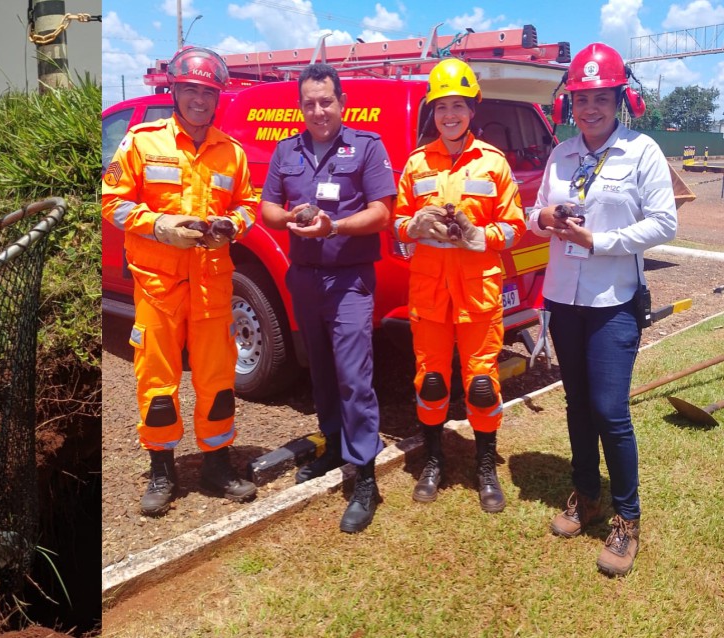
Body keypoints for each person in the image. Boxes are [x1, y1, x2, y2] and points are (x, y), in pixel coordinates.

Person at [528, 42, 676, 577]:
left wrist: (599, 240)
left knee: (611, 411)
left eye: (600, 98)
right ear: (571, 103)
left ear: (619, 99)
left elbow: (664, 224)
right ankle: (586, 494)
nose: (590, 108)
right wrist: (541, 215)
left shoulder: (643, 152)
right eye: (581, 99)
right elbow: (533, 216)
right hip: (564, 298)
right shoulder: (561, 155)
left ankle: (627, 518)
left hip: (614, 301)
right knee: (576, 404)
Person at [102, 45, 259, 517]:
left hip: (212, 286)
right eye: (190, 90)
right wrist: (159, 226)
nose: (198, 100)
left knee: (217, 380)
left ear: (217, 98)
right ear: (174, 90)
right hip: (157, 286)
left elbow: (248, 206)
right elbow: (112, 202)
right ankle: (162, 470)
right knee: (157, 382)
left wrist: (234, 226)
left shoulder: (232, 154)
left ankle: (217, 465)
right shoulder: (141, 142)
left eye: (207, 93)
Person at [259, 63, 397, 534]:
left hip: (349, 281)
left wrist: (333, 225)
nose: (318, 110)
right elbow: (267, 206)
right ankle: (335, 447)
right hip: (303, 278)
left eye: (326, 101)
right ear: (301, 106)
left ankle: (365, 478)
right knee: (318, 370)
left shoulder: (366, 147)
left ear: (342, 104)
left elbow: (382, 212)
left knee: (354, 376)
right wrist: (288, 219)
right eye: (309, 103)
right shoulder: (287, 150)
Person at [392, 58, 525, 514]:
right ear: (433, 112)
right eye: (442, 106)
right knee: (430, 382)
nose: (450, 114)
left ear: (472, 110)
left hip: (478, 292)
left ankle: (485, 467)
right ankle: (433, 462)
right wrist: (414, 226)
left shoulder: (493, 164)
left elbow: (514, 227)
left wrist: (478, 236)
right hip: (429, 293)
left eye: (459, 106)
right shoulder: (415, 164)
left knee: (483, 384)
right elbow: (398, 224)